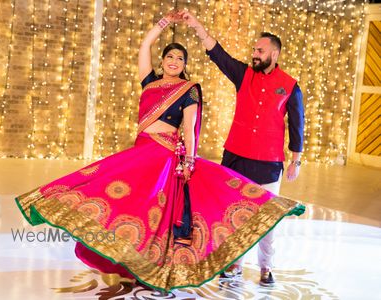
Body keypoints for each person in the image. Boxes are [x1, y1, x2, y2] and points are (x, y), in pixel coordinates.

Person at [15, 11, 304, 292]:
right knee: (124, 205)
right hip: (140, 155)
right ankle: (130, 262)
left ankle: (163, 266)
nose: (174, 61)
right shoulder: (150, 82)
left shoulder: (189, 89)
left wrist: (190, 160)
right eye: (169, 56)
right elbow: (145, 46)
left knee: (156, 217)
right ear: (162, 61)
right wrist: (163, 24)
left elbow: (189, 129)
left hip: (166, 161)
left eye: (180, 58)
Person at [180, 10, 305, 286]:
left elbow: (297, 125)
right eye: (253, 49)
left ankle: (266, 267)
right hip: (235, 157)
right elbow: (218, 54)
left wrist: (296, 160)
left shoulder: (290, 86)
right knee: (233, 213)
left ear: (274, 54)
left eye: (260, 50)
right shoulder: (244, 75)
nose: (254, 54)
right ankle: (235, 264)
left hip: (269, 163)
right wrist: (197, 27)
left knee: (267, 219)